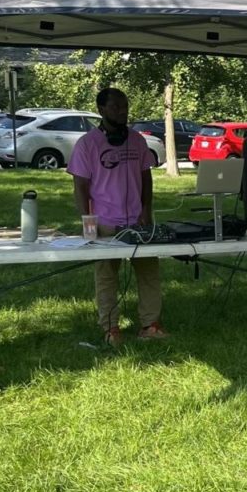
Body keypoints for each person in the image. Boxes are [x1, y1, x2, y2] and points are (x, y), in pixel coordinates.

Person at [68, 87, 167, 346]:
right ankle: (110, 329)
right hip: (104, 222)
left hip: (138, 221)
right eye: (116, 107)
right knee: (106, 278)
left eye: (125, 106)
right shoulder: (87, 143)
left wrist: (147, 211)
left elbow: (146, 178)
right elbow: (80, 186)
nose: (122, 111)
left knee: (149, 274)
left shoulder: (137, 140)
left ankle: (150, 325)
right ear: (101, 110)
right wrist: (87, 222)